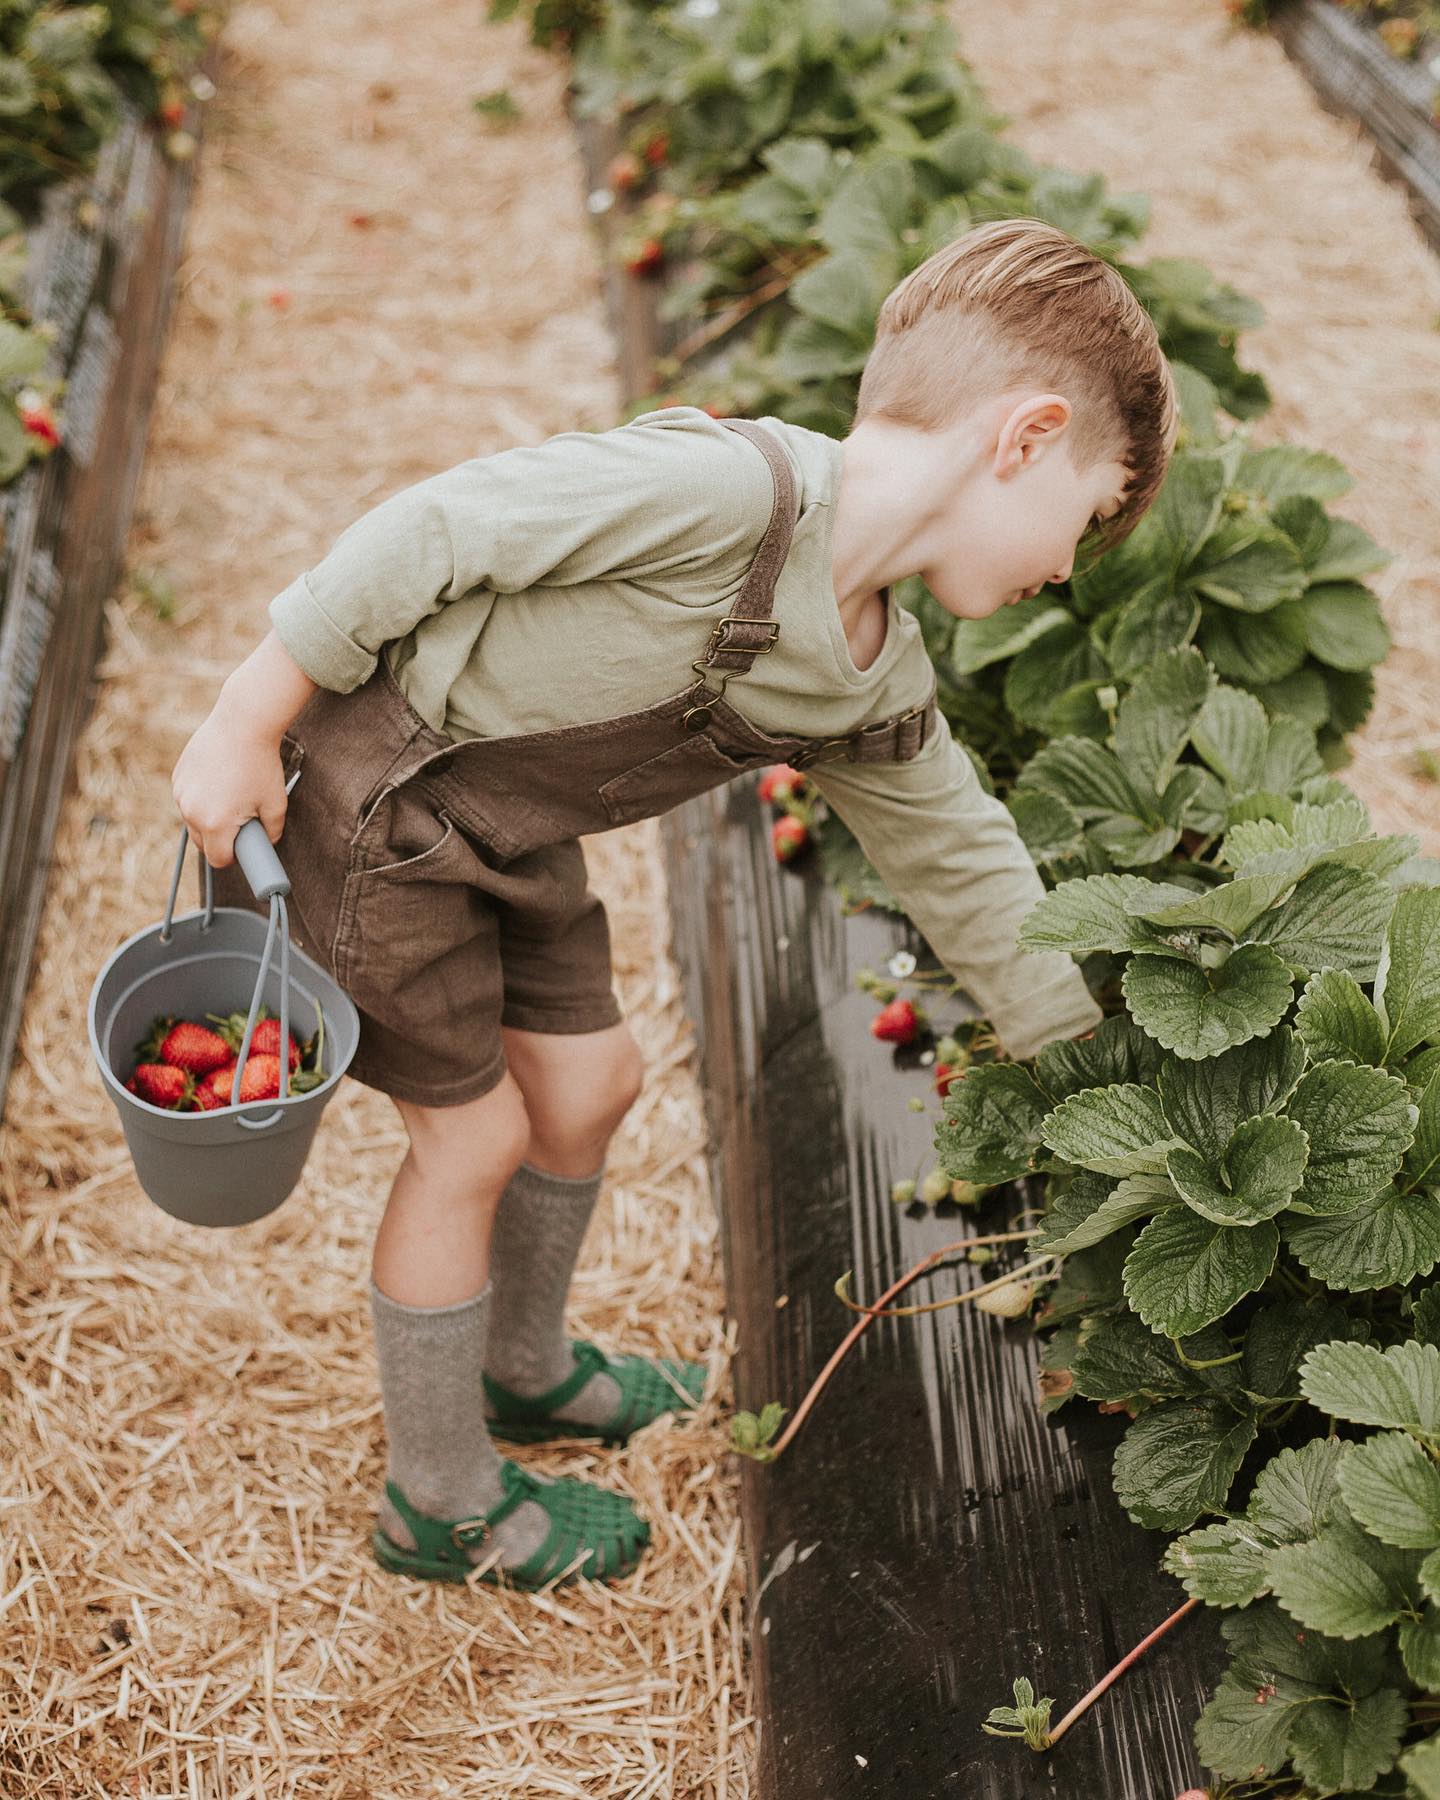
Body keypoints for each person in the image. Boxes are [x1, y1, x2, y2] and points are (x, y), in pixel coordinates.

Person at [170, 217, 1179, 1591]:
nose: (1077, 559)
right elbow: (438, 530)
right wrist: (246, 713)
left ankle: (522, 1367)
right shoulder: (728, 489)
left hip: (509, 847)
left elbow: (963, 859)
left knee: (590, 1086)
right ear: (1025, 437)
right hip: (380, 814)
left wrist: (1089, 1060)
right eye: (1095, 508)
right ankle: (440, 1500)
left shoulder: (870, 676)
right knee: (472, 1145)